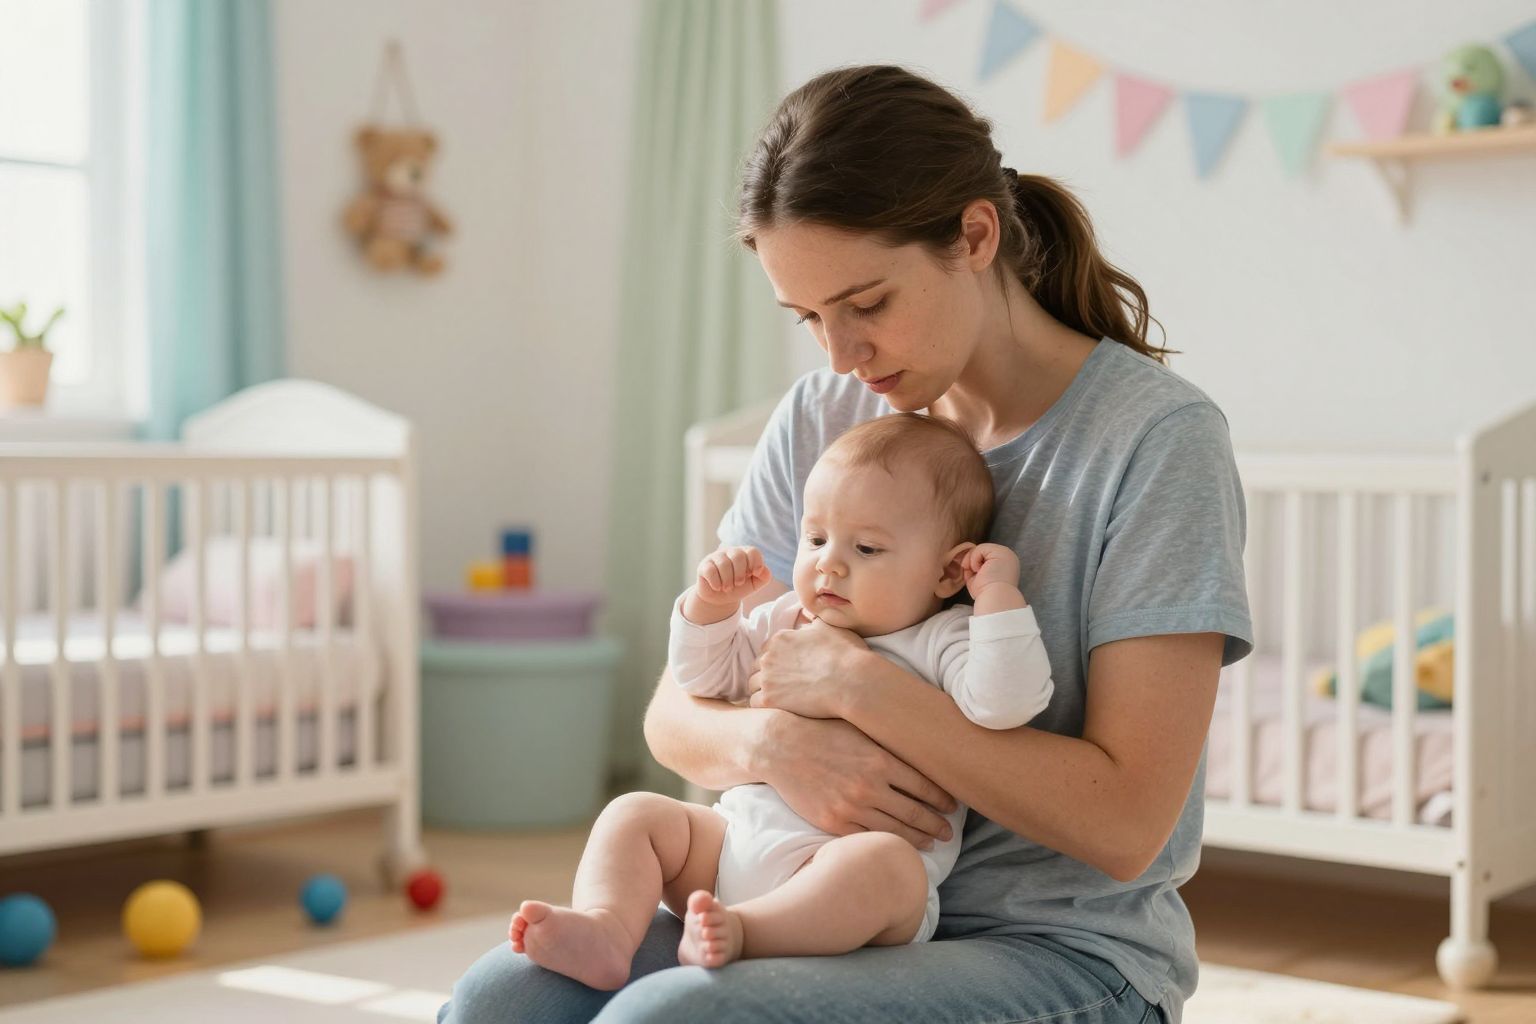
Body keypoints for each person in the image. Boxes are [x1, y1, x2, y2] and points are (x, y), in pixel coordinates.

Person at [440, 63, 1251, 1024]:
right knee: (505, 999)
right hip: (795, 899)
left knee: (673, 1019)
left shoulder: (1155, 441)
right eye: (810, 318)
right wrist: (776, 742)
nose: (841, 354)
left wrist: (863, 689)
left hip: (1061, 955)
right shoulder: (827, 416)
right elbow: (677, 715)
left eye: (866, 304)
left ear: (974, 237)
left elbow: (1126, 827)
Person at [507, 413, 1054, 989]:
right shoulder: (787, 619)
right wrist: (711, 609)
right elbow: (704, 678)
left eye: (866, 547)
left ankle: (746, 933)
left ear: (947, 572)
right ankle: (608, 928)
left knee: (888, 869)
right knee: (634, 813)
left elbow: (1004, 703)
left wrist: (997, 595)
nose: (828, 563)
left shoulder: (944, 640)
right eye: (815, 539)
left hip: (844, 878)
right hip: (730, 849)